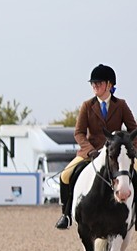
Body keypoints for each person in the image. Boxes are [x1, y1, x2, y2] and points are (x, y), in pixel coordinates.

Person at [55, 64, 136, 229]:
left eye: (99, 83)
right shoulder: (87, 105)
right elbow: (79, 132)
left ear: (109, 85)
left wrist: (128, 149)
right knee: (65, 175)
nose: (95, 86)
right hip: (91, 152)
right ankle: (66, 215)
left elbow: (133, 130)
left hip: (116, 153)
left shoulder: (120, 105)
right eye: (93, 83)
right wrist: (90, 150)